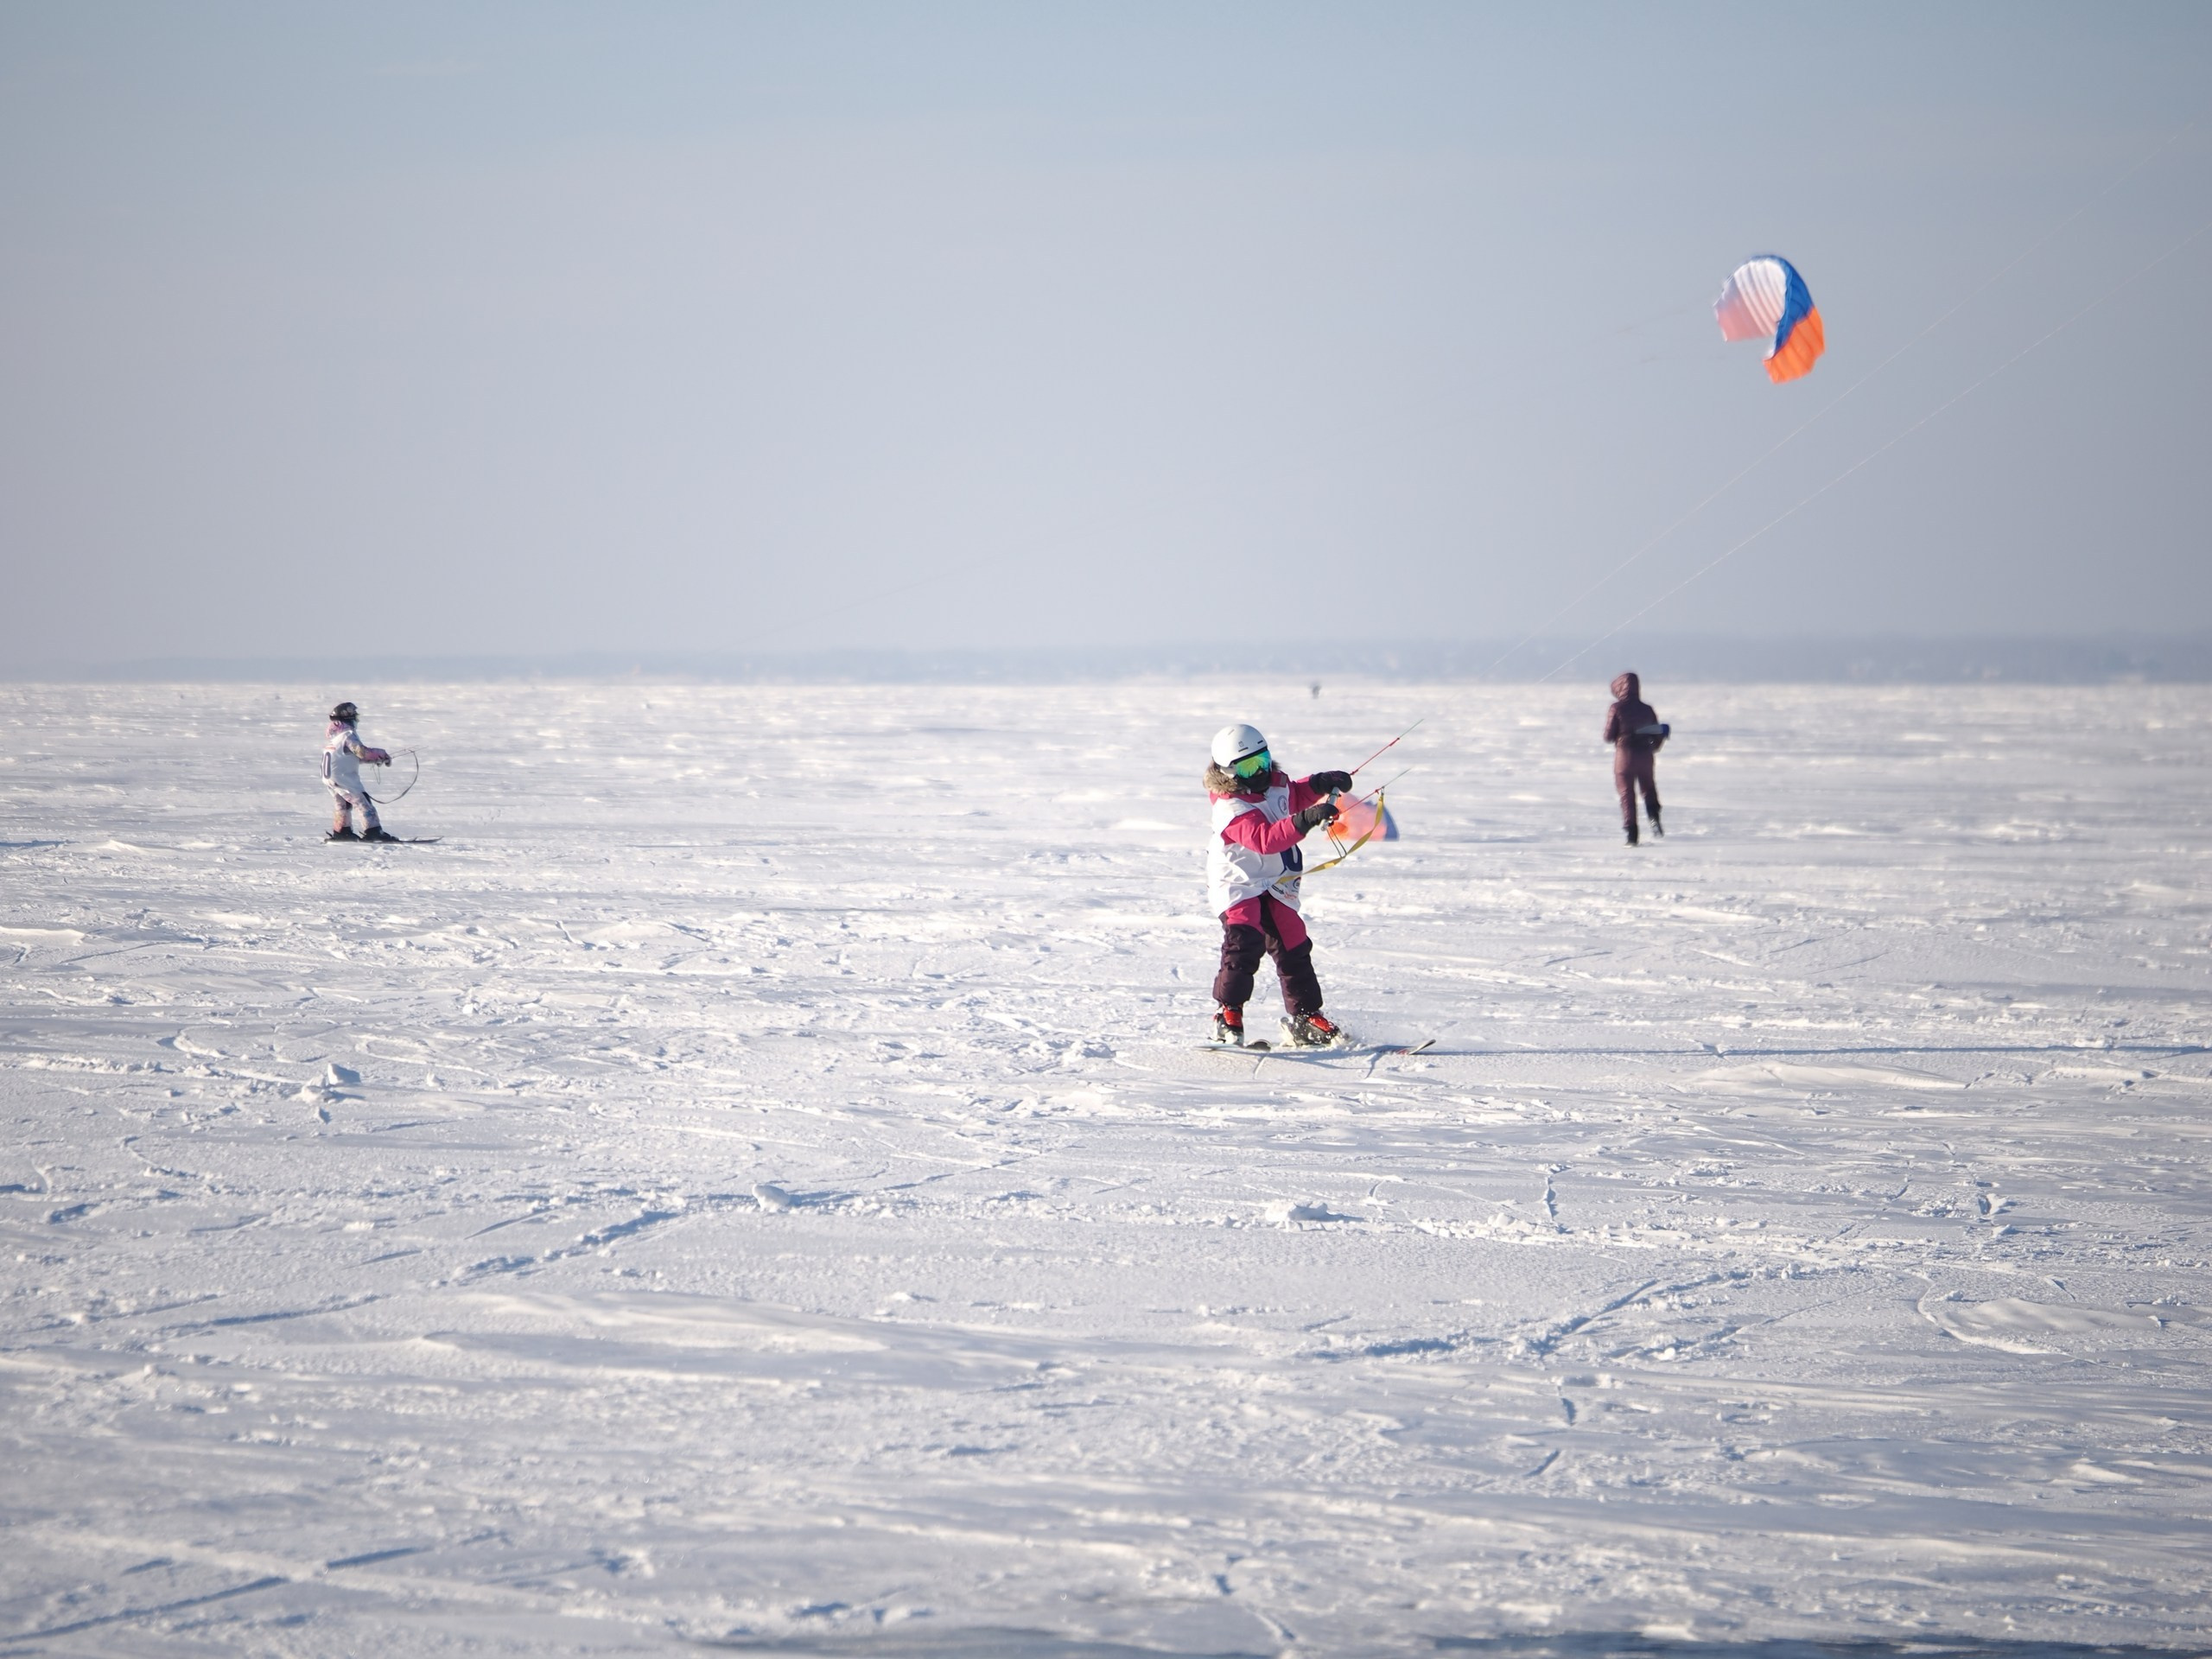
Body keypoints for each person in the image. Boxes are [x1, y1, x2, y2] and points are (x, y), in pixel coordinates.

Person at [1205, 722, 1354, 1047]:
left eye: (1263, 760)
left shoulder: (1275, 782)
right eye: (1249, 767)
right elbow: (1265, 839)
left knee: (1294, 943)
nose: (1260, 771)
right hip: (1239, 883)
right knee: (1245, 943)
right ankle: (1227, 1014)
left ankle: (1305, 1017)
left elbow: (1293, 796)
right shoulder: (1231, 807)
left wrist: (1321, 782)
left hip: (1275, 880)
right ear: (1230, 772)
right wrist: (1307, 819)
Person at [1603, 671, 1669, 846]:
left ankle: (1632, 834)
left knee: (1626, 793)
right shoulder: (1647, 709)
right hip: (1645, 755)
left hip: (1624, 755)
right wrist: (1653, 747)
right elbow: (1657, 733)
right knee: (1648, 788)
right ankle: (1654, 818)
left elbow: (1609, 736)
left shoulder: (1616, 708)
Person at [322, 701, 396, 842]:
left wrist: (374, 759)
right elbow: (361, 752)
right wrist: (381, 754)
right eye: (355, 717)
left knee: (343, 804)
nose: (357, 720)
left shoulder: (335, 739)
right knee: (362, 802)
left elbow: (351, 757)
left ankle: (342, 832)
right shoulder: (348, 735)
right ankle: (373, 832)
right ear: (348, 718)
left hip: (329, 778)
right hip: (343, 777)